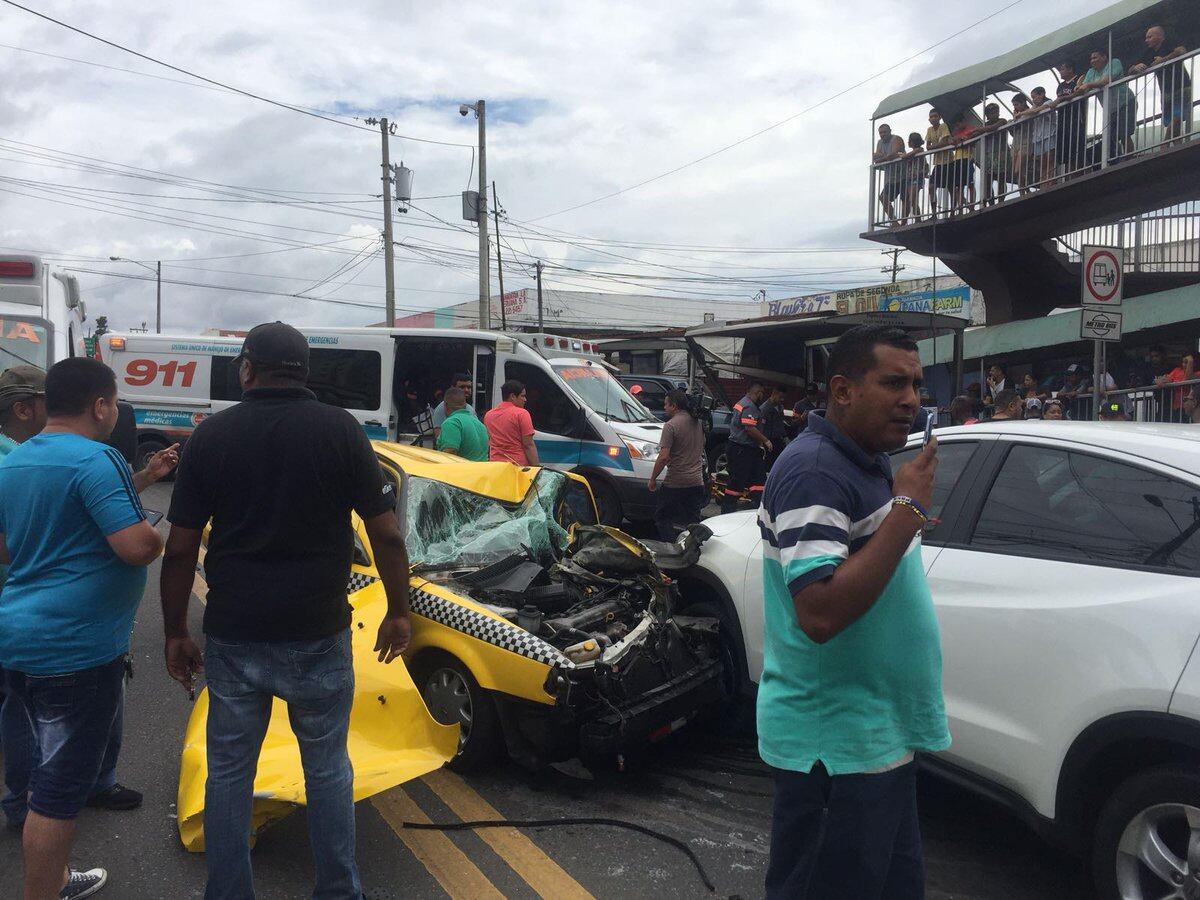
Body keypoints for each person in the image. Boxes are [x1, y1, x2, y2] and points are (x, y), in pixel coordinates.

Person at [158, 322, 412, 900]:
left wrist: (175, 630)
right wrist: (399, 611)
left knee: (228, 773)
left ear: (247, 368)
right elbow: (388, 537)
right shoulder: (342, 431)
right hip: (318, 631)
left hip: (234, 632)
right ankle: (338, 891)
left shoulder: (212, 437)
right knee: (326, 769)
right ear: (305, 371)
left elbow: (178, 548)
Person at [758, 324, 947, 899]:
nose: (911, 399)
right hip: (835, 748)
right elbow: (819, 612)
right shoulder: (815, 470)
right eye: (893, 383)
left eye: (916, 384)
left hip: (877, 737)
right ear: (842, 390)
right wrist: (908, 508)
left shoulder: (865, 461)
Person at [0, 358, 166, 900]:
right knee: (59, 791)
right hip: (75, 648)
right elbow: (136, 547)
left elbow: (6, 549)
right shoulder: (99, 459)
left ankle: (55, 878)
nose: (115, 412)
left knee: (37, 766)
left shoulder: (15, 460)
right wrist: (158, 533)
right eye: (114, 403)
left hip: (18, 637)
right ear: (100, 406)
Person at [647, 390, 707, 541]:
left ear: (674, 406)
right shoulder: (698, 422)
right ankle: (693, 547)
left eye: (666, 404)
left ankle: (671, 547)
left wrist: (652, 479)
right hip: (697, 481)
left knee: (662, 517)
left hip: (676, 482)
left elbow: (663, 457)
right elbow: (702, 444)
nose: (664, 407)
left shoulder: (671, 425)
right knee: (692, 520)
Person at [1130, 26, 1191, 142]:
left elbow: (1182, 51)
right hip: (1166, 91)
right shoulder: (1149, 52)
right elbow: (1130, 70)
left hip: (1181, 86)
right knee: (1171, 123)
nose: (1146, 40)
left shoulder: (1169, 43)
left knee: (1177, 118)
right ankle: (1177, 146)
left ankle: (1164, 144)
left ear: (1160, 36)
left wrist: (1163, 60)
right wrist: (1135, 68)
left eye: (1150, 37)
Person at [721, 382, 771, 513]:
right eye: (762, 394)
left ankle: (759, 504)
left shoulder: (742, 402)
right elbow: (749, 428)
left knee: (758, 478)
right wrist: (765, 440)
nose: (763, 397)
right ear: (758, 393)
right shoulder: (750, 406)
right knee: (737, 481)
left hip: (745, 449)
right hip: (742, 450)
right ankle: (728, 509)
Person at [1078, 49, 1137, 159]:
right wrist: (1079, 86)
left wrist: (1088, 85)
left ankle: (1129, 157)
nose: (1092, 61)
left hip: (1126, 102)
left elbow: (1105, 81)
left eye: (1095, 57)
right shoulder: (1091, 72)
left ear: (1104, 57)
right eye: (1091, 58)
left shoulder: (1114, 62)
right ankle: (1117, 158)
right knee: (1111, 138)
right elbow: (1084, 89)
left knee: (1124, 134)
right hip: (1111, 109)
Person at [484, 380, 539, 466]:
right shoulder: (522, 414)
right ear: (512, 396)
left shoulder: (488, 415)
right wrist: (536, 467)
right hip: (517, 466)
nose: (525, 399)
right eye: (522, 396)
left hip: (495, 465)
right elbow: (528, 445)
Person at [435, 387, 489, 461]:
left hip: (462, 471)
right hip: (482, 471)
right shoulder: (479, 424)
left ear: (445, 405)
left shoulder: (452, 423)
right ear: (465, 405)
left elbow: (450, 453)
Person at [1054, 61, 1088, 174]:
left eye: (1062, 69)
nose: (1060, 72)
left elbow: (1080, 92)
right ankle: (1069, 175)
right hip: (1063, 120)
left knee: (1077, 147)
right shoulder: (1060, 86)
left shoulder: (1079, 78)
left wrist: (1062, 99)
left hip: (1076, 118)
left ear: (1070, 69)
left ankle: (1080, 173)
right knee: (1065, 151)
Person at [976, 103, 1010, 206]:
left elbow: (994, 127)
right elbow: (975, 134)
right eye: (991, 112)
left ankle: (1000, 201)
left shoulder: (1002, 121)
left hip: (1001, 153)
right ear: (987, 115)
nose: (994, 114)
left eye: (995, 111)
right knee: (987, 179)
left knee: (1001, 178)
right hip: (988, 155)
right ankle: (990, 202)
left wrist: (979, 129)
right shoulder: (985, 125)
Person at [874, 124, 907, 226]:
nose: (882, 134)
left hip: (904, 175)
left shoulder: (896, 139)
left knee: (907, 199)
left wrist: (882, 157)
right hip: (891, 178)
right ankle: (894, 221)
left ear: (890, 131)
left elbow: (894, 154)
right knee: (883, 197)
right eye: (880, 133)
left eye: (884, 132)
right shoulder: (879, 143)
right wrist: (886, 157)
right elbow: (875, 159)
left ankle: (905, 222)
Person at [925, 108, 953, 215]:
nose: (933, 118)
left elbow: (945, 142)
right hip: (938, 163)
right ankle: (934, 213)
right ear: (929, 119)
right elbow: (927, 146)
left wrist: (935, 146)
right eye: (931, 117)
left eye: (935, 116)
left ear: (939, 117)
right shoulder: (929, 130)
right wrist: (939, 145)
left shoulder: (943, 126)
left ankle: (953, 211)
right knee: (932, 187)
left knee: (951, 187)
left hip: (949, 161)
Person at [430, 372, 476, 437]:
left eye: (469, 387)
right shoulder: (443, 407)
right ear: (453, 388)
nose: (466, 390)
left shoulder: (470, 408)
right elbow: (439, 435)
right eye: (462, 387)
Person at [1028, 87, 1057, 186]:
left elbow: (1035, 112)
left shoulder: (1048, 102)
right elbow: (1030, 113)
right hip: (1038, 137)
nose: (1033, 100)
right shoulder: (1034, 106)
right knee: (1042, 161)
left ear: (1042, 94)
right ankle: (1044, 182)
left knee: (1050, 159)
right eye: (1032, 98)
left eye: (1035, 97)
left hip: (1049, 133)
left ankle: (1051, 181)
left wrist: (1021, 113)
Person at [1009, 93, 1034, 195]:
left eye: (1017, 104)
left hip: (1026, 142)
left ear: (1023, 103)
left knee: (1018, 169)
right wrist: (1014, 119)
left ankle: (1026, 190)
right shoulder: (1017, 116)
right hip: (1016, 143)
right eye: (1014, 105)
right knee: (1019, 171)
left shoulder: (1030, 111)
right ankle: (1023, 192)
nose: (1015, 107)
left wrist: (1017, 117)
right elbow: (1012, 132)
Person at [759, 385, 789, 470]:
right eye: (780, 397)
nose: (782, 400)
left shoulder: (780, 407)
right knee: (768, 466)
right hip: (768, 442)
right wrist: (764, 443)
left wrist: (785, 436)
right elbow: (761, 428)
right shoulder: (765, 409)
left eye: (784, 397)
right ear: (774, 394)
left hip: (778, 440)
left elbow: (780, 422)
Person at [902, 133, 928, 222]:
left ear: (913, 142)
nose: (908, 142)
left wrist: (903, 156)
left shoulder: (919, 150)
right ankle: (917, 218)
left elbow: (905, 156)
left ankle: (918, 219)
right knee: (912, 200)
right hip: (911, 178)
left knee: (912, 198)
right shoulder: (914, 152)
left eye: (909, 141)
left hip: (917, 178)